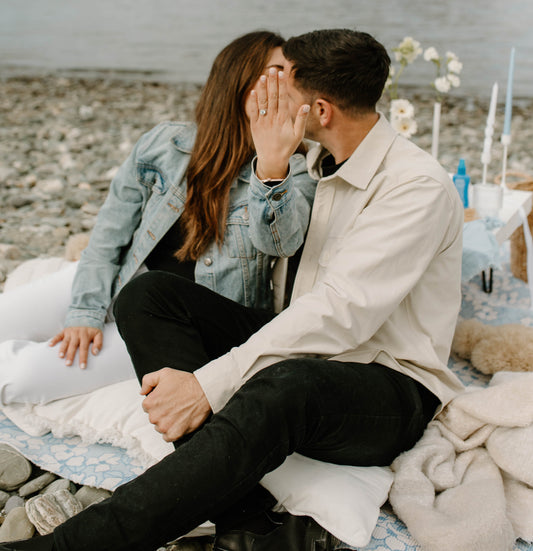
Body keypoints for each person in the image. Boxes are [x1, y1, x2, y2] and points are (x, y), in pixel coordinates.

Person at [0, 28, 464, 551]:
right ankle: (247, 524)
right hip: (308, 350)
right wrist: (271, 168)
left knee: (287, 385)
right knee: (148, 295)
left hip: (386, 383)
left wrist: (206, 385)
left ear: (319, 110)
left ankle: (72, 546)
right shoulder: (315, 161)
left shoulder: (414, 186)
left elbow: (339, 316)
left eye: (282, 87)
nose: (271, 97)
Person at [0, 30, 315, 406]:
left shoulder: (296, 172)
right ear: (237, 81)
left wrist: (272, 166)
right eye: (273, 73)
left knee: (21, 376)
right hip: (123, 275)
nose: (283, 87)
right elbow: (108, 236)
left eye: (290, 78)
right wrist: (85, 311)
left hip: (170, 321)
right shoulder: (165, 145)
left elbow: (281, 243)